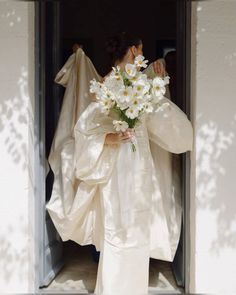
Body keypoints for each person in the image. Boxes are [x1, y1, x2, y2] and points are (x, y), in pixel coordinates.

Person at [46, 32, 193, 295]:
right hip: (116, 165)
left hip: (141, 162)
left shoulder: (143, 83)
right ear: (135, 51)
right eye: (142, 49)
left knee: (137, 223)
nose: (144, 54)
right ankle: (114, 288)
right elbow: (85, 129)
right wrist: (111, 137)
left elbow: (160, 121)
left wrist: (159, 84)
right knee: (117, 224)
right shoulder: (107, 85)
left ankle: (133, 288)